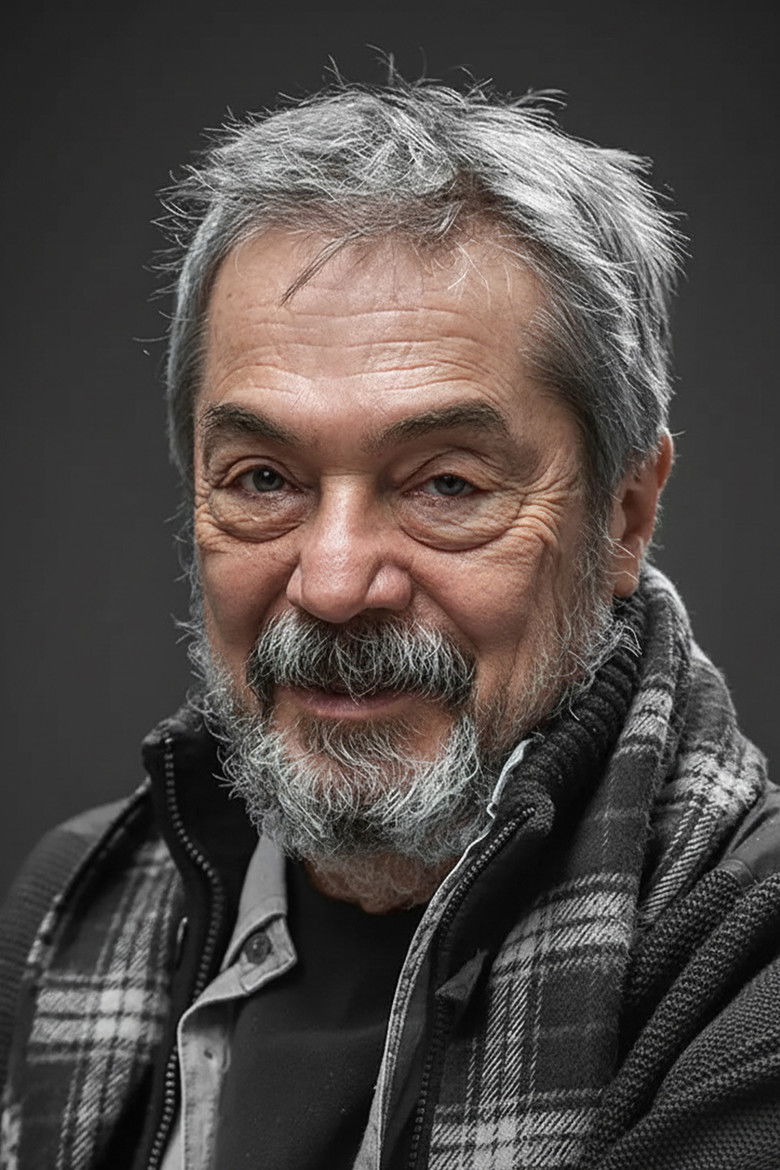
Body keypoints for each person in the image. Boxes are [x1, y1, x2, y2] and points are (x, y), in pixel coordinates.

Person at [1, 77, 778, 1170]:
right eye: (263, 478)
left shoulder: (746, 962)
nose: (332, 584)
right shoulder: (71, 905)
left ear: (625, 515)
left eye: (446, 485)